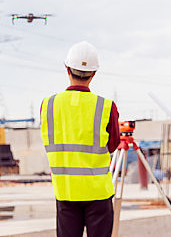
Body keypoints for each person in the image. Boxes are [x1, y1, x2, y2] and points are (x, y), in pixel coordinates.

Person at [40, 41, 120, 237]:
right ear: (94, 74)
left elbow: (49, 140)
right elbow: (113, 144)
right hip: (99, 193)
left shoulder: (48, 105)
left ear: (67, 69)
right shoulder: (107, 106)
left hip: (66, 192)